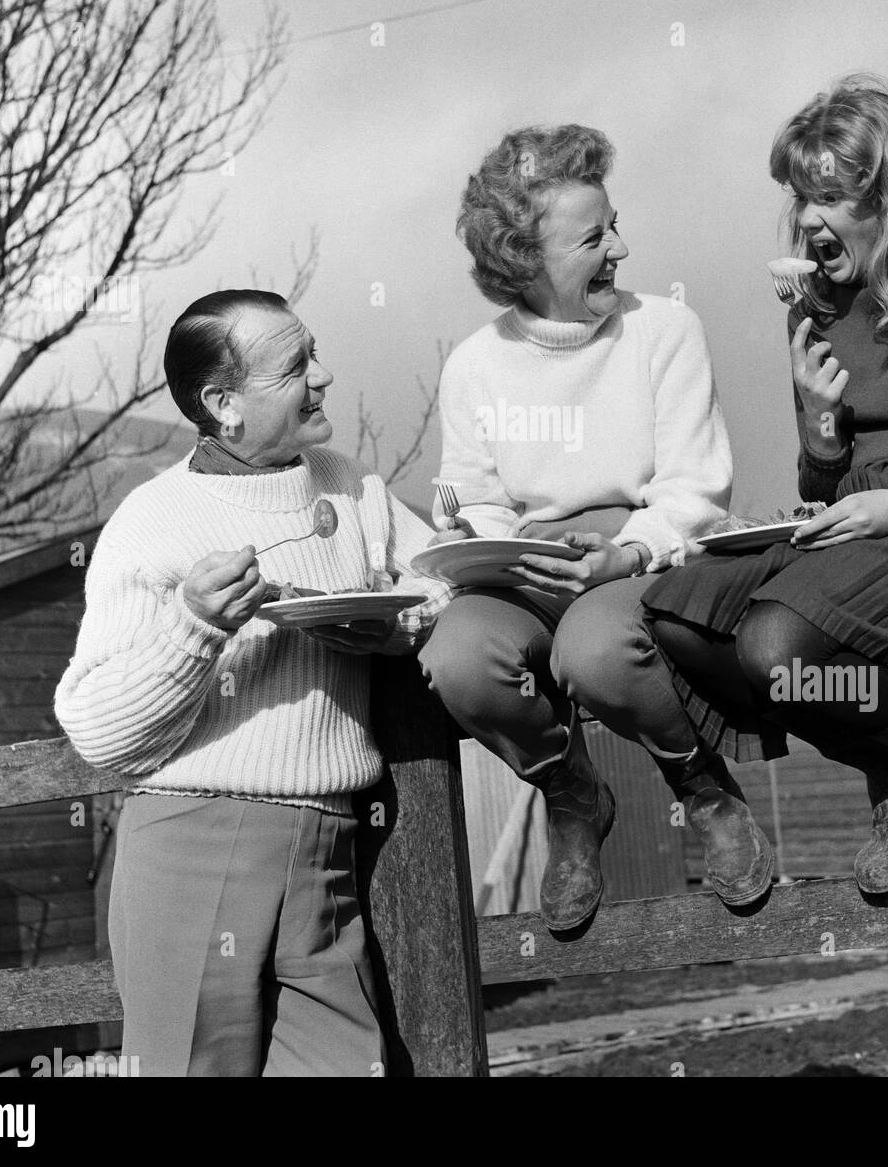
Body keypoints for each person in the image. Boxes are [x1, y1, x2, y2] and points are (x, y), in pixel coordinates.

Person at [564, 75, 888, 902]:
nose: (807, 219)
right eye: (802, 196)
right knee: (680, 613)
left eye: (830, 197)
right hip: (856, 528)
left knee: (773, 645)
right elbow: (822, 479)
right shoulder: (812, 306)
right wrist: (821, 430)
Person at [55, 290, 452, 1075]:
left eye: (315, 352)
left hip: (328, 850)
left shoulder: (351, 486)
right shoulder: (154, 518)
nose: (324, 375)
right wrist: (196, 626)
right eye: (296, 366)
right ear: (222, 404)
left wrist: (396, 627)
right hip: (192, 847)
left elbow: (449, 580)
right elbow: (98, 729)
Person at [419, 123, 772, 932]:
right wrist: (489, 548)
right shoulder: (474, 364)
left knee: (593, 652)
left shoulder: (665, 330)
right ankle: (570, 793)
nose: (619, 246)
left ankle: (702, 788)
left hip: (642, 551)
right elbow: (468, 494)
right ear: (524, 259)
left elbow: (697, 487)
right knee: (456, 660)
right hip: (526, 567)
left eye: (614, 223)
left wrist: (627, 551)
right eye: (593, 236)